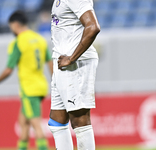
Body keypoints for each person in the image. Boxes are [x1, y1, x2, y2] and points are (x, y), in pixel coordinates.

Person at [0, 10, 53, 150]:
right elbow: (50, 62)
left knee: (36, 126)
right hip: (41, 86)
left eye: (11, 26)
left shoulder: (18, 42)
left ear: (16, 25)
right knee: (23, 123)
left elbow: (8, 69)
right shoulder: (40, 39)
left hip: (29, 90)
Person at [48, 0, 100, 149]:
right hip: (61, 61)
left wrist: (71, 58)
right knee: (56, 122)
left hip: (73, 64)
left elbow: (93, 27)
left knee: (79, 120)